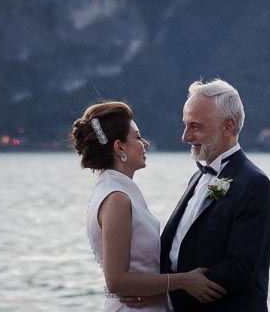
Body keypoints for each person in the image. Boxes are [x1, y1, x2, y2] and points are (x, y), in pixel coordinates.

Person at [74, 100, 226, 312]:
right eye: (137, 137)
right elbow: (117, 281)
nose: (145, 143)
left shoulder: (115, 189)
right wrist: (184, 281)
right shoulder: (116, 198)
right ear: (119, 147)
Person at [159, 79, 270, 312]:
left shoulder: (254, 184)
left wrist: (170, 293)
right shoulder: (197, 177)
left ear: (228, 127)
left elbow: (239, 268)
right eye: (185, 125)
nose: (185, 137)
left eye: (195, 126)